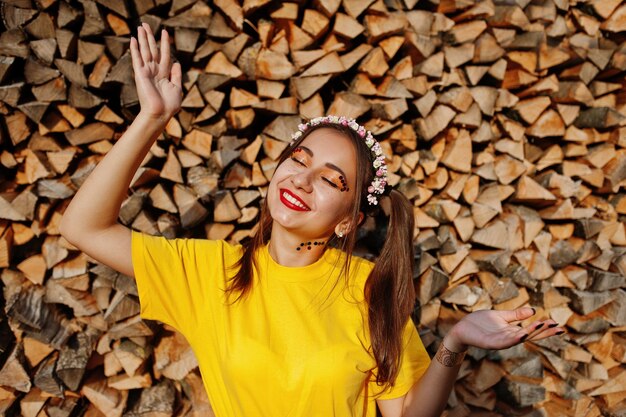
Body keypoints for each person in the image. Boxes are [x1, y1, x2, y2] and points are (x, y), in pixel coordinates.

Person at [60, 23, 565, 417]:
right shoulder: (210, 271)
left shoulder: (368, 292)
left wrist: (455, 342)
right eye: (299, 160)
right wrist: (152, 118)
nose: (302, 180)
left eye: (331, 180)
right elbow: (82, 227)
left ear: (347, 221)